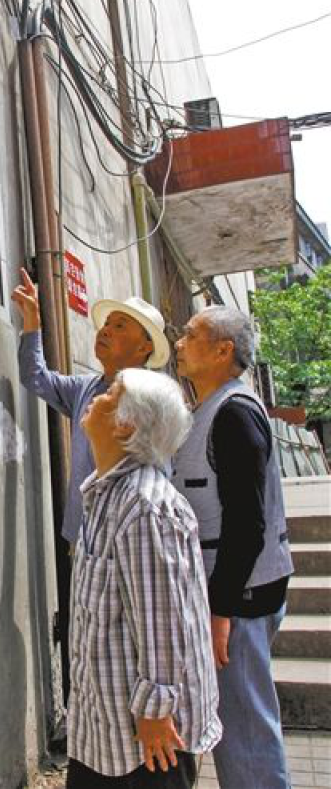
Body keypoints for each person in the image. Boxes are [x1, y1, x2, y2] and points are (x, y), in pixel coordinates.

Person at [67, 368, 221, 788]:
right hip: (105, 731)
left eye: (110, 394)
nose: (97, 397)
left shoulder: (144, 506)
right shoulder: (106, 494)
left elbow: (163, 620)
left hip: (149, 741)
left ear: (125, 425)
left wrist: (156, 710)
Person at [173, 307, 294, 789]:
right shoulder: (212, 407)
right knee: (238, 721)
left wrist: (220, 611)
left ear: (224, 350)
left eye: (191, 334)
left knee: (244, 728)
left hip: (239, 599)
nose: (179, 342)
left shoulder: (234, 414)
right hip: (231, 597)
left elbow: (247, 524)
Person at [12, 267, 170, 545]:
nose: (105, 331)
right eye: (106, 324)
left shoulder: (153, 400)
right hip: (83, 535)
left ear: (145, 346)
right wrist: (32, 323)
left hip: (128, 537)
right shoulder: (85, 387)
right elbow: (35, 377)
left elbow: (160, 474)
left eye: (119, 326)